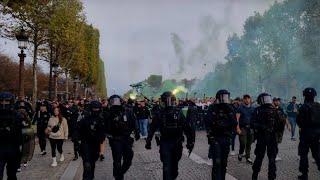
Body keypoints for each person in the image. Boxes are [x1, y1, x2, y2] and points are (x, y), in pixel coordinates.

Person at [145, 91, 195, 180]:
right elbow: (152, 128)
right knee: (166, 167)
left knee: (174, 168)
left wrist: (190, 141)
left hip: (177, 143)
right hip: (165, 143)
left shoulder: (178, 113)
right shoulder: (160, 113)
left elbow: (187, 128)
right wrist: (148, 141)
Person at [105, 95, 140, 180]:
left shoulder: (128, 111)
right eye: (113, 101)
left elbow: (134, 121)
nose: (116, 103)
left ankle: (119, 173)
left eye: (117, 101)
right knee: (117, 160)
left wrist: (137, 131)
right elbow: (105, 126)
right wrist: (108, 135)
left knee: (129, 158)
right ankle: (119, 177)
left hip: (126, 138)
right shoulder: (108, 113)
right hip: (115, 139)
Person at [205, 90, 237, 180]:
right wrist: (210, 135)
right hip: (215, 138)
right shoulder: (213, 108)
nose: (225, 99)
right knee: (217, 162)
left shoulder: (230, 108)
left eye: (226, 97)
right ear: (219, 98)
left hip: (226, 138)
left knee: (224, 163)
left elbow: (234, 123)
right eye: (224, 97)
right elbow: (207, 122)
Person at [251, 93, 284, 180]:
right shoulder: (275, 110)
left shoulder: (258, 110)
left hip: (264, 137)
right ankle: (269, 177)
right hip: (270, 137)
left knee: (262, 157)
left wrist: (261, 127)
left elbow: (252, 123)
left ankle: (255, 176)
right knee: (269, 158)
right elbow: (281, 126)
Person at [296, 88, 320, 180]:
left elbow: (299, 121)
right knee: (317, 154)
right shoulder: (318, 106)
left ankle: (304, 175)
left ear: (304, 96)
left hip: (305, 134)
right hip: (317, 134)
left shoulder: (303, 107)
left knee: (303, 155)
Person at [78, 101, 105, 180]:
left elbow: (103, 137)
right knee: (87, 165)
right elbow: (78, 129)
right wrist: (76, 141)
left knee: (92, 164)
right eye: (94, 108)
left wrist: (101, 151)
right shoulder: (85, 119)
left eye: (97, 108)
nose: (96, 110)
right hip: (85, 144)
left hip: (95, 145)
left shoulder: (101, 120)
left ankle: (91, 177)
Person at [0, 92, 23, 180]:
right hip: (0, 147)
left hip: (13, 148)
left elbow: (22, 133)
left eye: (7, 101)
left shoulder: (16, 115)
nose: (4, 103)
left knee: (12, 175)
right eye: (2, 101)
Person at [236, 95, 255, 164]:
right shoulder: (240, 108)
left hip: (250, 128)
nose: (247, 100)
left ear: (250, 99)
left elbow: (254, 118)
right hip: (242, 128)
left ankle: (248, 157)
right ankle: (240, 153)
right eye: (245, 99)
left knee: (249, 143)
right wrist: (237, 128)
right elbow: (237, 119)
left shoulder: (253, 108)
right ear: (243, 100)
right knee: (243, 142)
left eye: (248, 99)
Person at [273, 97, 289, 161]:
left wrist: (288, 124)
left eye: (278, 101)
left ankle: (275, 155)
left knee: (277, 142)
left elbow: (285, 117)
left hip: (280, 129)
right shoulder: (271, 109)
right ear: (273, 101)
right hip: (274, 129)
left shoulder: (281, 109)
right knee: (275, 143)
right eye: (276, 101)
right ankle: (274, 155)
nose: (277, 102)